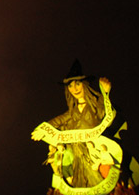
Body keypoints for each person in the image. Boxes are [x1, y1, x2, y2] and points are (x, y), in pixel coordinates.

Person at [41, 60, 110, 188]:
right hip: (77, 157)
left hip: (94, 152)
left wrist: (105, 94)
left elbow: (106, 114)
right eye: (70, 86)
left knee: (98, 183)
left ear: (84, 85)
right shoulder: (72, 113)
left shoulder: (95, 105)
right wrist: (42, 130)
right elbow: (56, 122)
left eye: (77, 84)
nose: (74, 89)